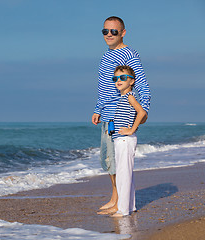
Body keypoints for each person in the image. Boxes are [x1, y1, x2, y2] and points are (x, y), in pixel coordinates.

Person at [92, 16, 151, 215]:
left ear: (123, 33)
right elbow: (103, 87)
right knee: (108, 159)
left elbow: (141, 83)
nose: (109, 35)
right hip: (106, 114)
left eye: (113, 31)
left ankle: (118, 201)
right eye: (105, 31)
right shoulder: (105, 56)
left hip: (119, 115)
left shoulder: (129, 54)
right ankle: (115, 196)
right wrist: (97, 109)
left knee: (115, 160)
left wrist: (144, 112)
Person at [110, 65, 146, 217]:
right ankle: (130, 207)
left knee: (123, 174)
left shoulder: (130, 96)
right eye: (116, 78)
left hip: (125, 139)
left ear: (131, 81)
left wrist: (131, 130)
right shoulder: (122, 98)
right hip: (121, 139)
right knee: (126, 174)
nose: (119, 80)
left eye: (123, 78)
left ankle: (123, 210)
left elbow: (142, 112)